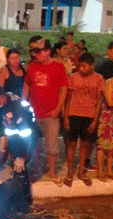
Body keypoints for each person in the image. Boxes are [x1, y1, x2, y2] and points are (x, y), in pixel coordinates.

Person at [23, 39, 68, 181]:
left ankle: (52, 172)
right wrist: (23, 104)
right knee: (34, 143)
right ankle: (36, 170)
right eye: (35, 51)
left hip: (50, 113)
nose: (37, 54)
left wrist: (58, 109)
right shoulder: (32, 66)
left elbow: (64, 89)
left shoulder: (59, 67)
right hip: (34, 113)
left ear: (48, 51)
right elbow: (27, 85)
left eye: (39, 51)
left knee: (52, 145)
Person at [63, 53, 104, 187]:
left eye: (84, 66)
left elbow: (99, 101)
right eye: (79, 66)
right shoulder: (73, 77)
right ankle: (70, 172)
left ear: (92, 66)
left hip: (89, 116)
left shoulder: (98, 78)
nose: (81, 68)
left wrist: (95, 120)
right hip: (73, 114)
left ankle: (81, 172)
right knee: (71, 144)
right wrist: (66, 117)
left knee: (85, 145)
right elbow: (68, 98)